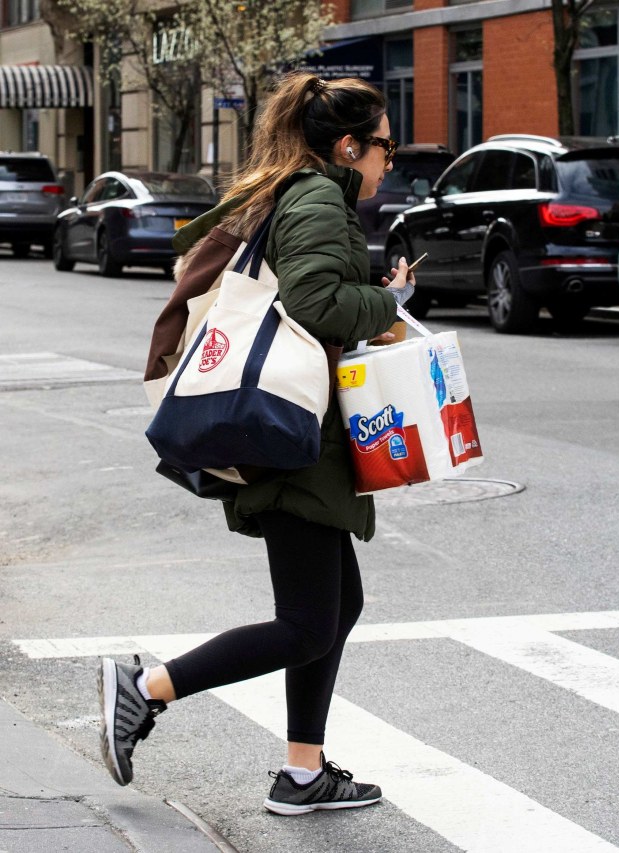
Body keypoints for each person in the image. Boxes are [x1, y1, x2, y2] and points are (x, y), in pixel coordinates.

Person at [98, 72, 415, 816]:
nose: (389, 160)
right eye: (386, 146)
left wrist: (370, 301)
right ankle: (145, 688)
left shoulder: (304, 195)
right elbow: (314, 303)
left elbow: (302, 297)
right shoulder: (317, 198)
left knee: (336, 607)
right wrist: (387, 302)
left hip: (297, 432)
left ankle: (303, 772)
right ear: (349, 146)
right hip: (290, 433)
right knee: (306, 623)